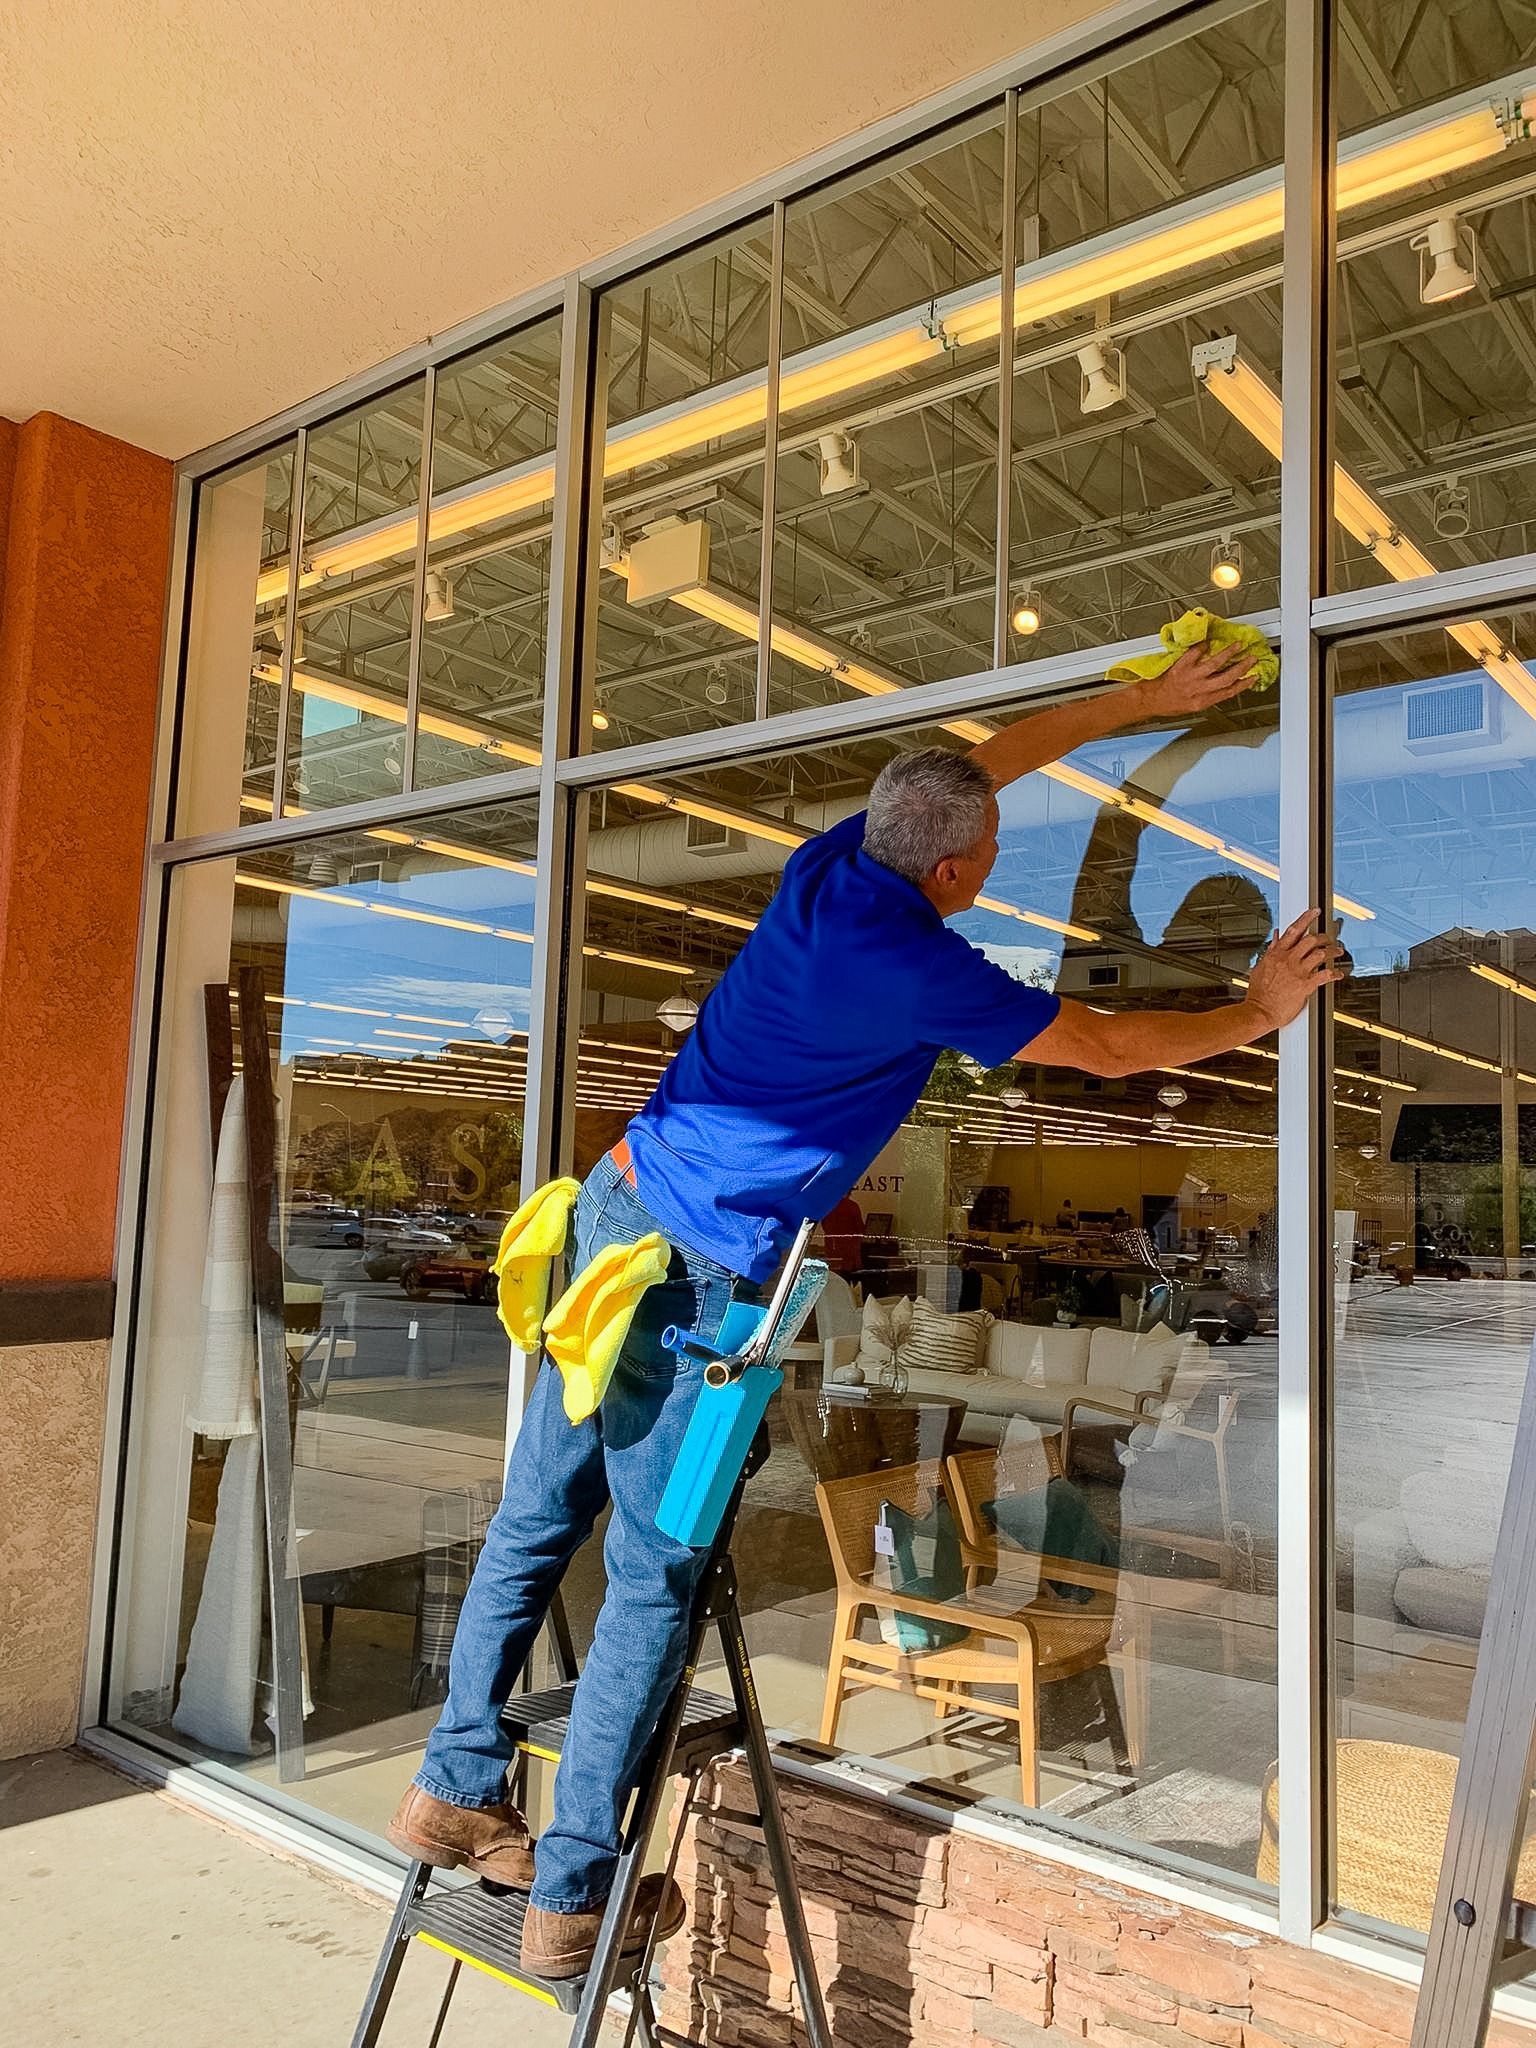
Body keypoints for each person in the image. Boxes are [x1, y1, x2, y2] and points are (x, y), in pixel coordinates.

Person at [388, 631, 1342, 1978]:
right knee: (655, 1578)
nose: (992, 852)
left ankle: (450, 1784)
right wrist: (1256, 1009)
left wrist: (1142, 703)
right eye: (989, 848)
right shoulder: (918, 960)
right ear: (954, 869)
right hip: (696, 1276)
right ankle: (571, 1898)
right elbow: (1116, 1047)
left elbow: (972, 769)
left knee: (540, 1511)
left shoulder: (831, 868)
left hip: (612, 1213)